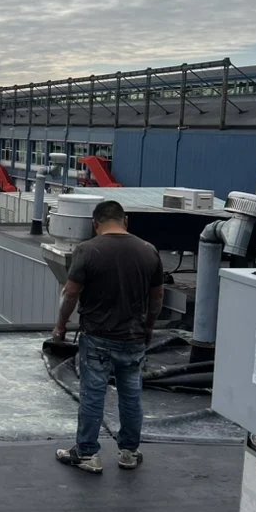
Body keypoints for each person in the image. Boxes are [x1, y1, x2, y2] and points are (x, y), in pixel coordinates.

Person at [52, 200, 164, 474]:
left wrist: (61, 325)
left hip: (97, 337)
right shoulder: (148, 250)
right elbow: (157, 296)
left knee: (93, 394)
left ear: (95, 224)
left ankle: (87, 454)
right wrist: (149, 326)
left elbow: (71, 293)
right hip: (133, 337)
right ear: (125, 221)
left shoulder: (87, 250)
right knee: (131, 395)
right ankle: (129, 452)